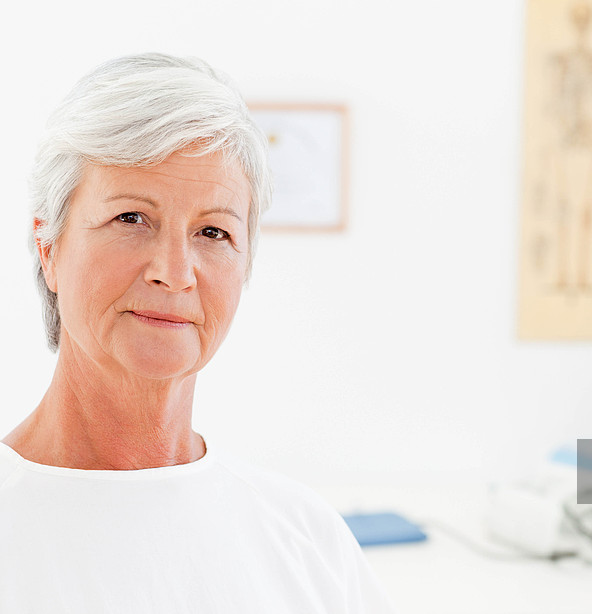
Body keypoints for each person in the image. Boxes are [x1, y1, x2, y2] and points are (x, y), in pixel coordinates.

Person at [0, 53, 394, 613]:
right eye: (131, 219)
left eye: (213, 231)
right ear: (49, 249)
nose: (176, 271)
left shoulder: (305, 540)